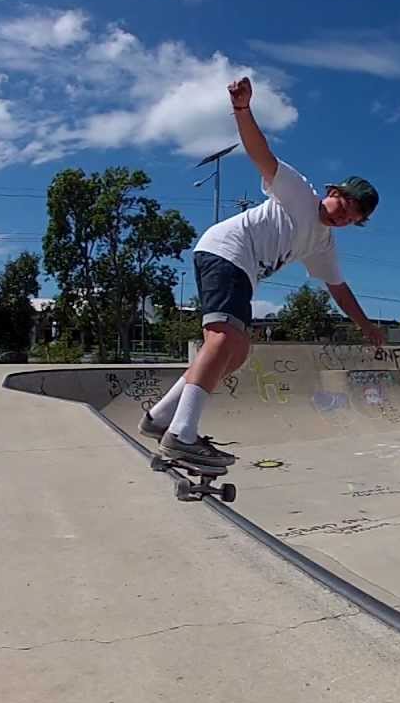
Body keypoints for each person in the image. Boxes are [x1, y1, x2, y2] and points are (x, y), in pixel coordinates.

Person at [138, 76, 385, 467]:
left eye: (354, 220)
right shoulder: (298, 191)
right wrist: (242, 109)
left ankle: (161, 417)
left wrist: (366, 326)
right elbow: (260, 153)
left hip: (239, 271)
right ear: (334, 193)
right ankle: (181, 435)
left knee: (234, 353)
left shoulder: (323, 244)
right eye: (345, 208)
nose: (344, 219)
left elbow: (339, 289)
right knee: (222, 340)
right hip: (227, 253)